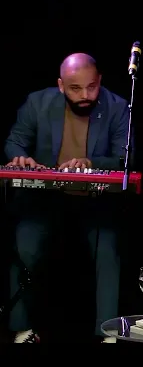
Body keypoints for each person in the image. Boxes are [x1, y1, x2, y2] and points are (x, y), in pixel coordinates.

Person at [4, 53, 131, 343]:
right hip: (45, 197)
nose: (85, 95)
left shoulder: (118, 107)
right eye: (75, 88)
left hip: (95, 199)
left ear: (100, 81)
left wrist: (91, 163)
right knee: (24, 245)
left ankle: (108, 332)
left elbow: (125, 158)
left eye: (92, 87)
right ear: (61, 85)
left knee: (108, 248)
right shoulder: (37, 103)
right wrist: (20, 157)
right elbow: (14, 141)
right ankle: (23, 329)